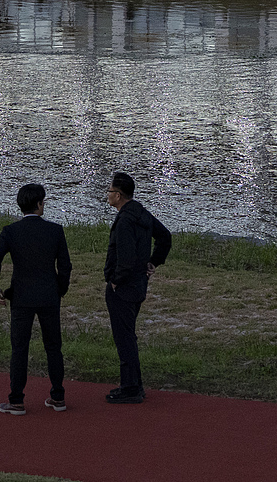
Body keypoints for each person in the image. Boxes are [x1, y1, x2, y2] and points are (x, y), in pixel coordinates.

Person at [0, 182, 72, 416]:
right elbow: (65, 266)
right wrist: (60, 290)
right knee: (54, 347)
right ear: (38, 204)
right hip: (49, 296)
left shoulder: (11, 231)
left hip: (22, 297)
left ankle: (16, 400)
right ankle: (58, 396)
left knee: (19, 349)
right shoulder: (55, 231)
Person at [102, 171, 172, 404]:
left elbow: (126, 257)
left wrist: (115, 280)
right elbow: (165, 237)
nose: (108, 195)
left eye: (110, 191)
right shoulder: (142, 213)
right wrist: (153, 261)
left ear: (119, 195)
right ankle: (134, 384)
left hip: (123, 287)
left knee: (124, 338)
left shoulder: (124, 221)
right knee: (129, 335)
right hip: (139, 284)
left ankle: (130, 387)